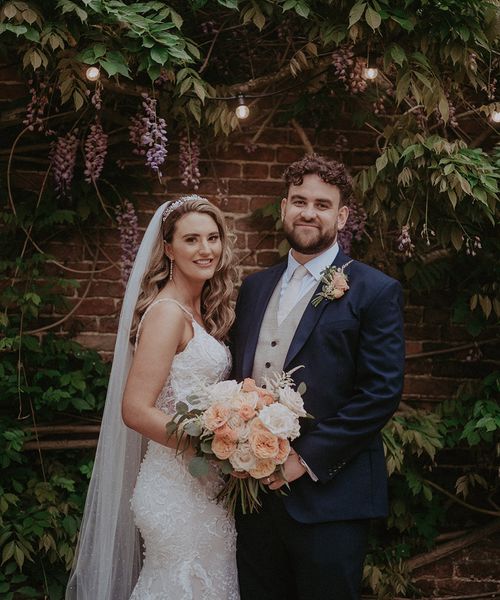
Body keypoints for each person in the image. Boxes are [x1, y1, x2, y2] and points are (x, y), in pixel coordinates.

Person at [231, 154, 405, 600]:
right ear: (284, 207)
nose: (309, 212)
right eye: (299, 201)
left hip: (330, 497)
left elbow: (380, 392)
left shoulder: (374, 290)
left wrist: (303, 460)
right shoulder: (253, 288)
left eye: (322, 204)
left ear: (342, 216)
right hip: (253, 497)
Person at [66, 196, 240, 600]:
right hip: (175, 489)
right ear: (168, 248)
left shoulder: (199, 310)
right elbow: (135, 409)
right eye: (192, 239)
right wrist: (213, 445)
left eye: (213, 238)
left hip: (204, 483)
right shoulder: (167, 313)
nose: (206, 249)